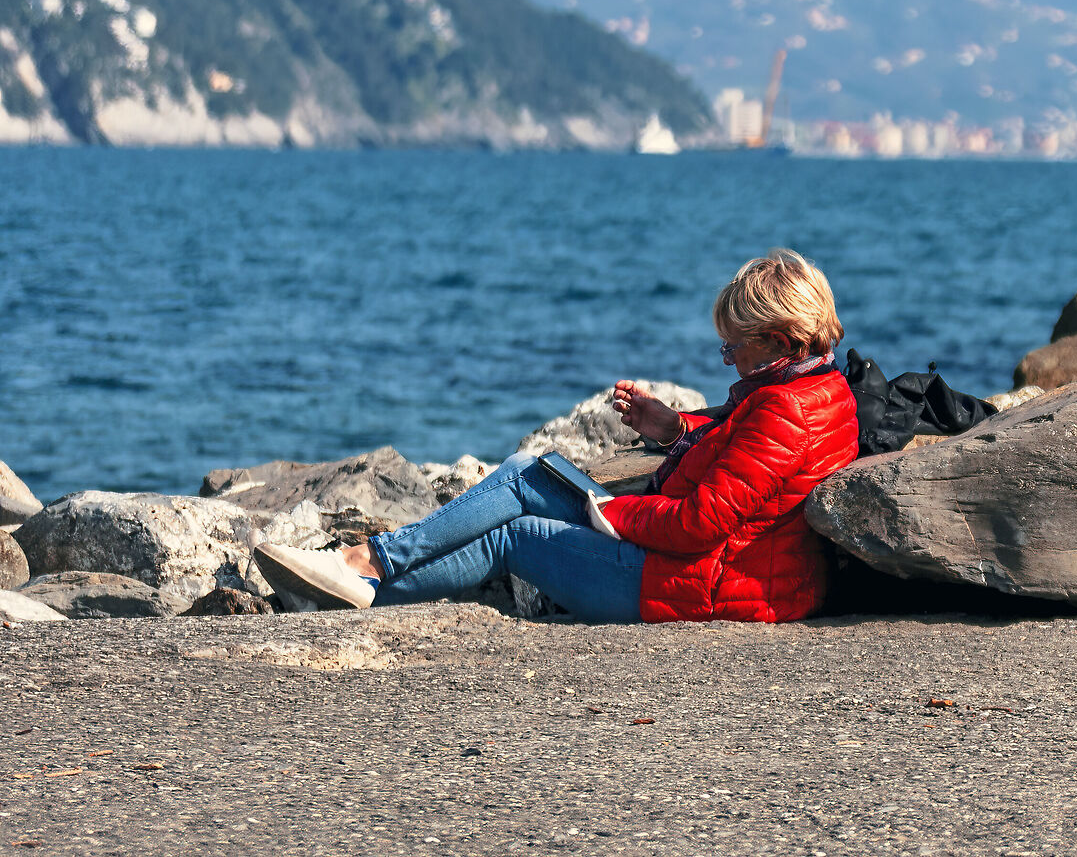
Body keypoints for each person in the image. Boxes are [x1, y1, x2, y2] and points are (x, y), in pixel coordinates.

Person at [253, 250, 860, 624]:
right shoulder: (811, 389)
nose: (727, 361)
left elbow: (702, 523)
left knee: (515, 529)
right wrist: (676, 429)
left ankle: (363, 571)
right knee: (527, 469)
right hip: (721, 569)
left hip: (706, 588)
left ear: (780, 340)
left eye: (734, 347)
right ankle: (359, 577)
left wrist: (613, 512)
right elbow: (742, 457)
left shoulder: (786, 408)